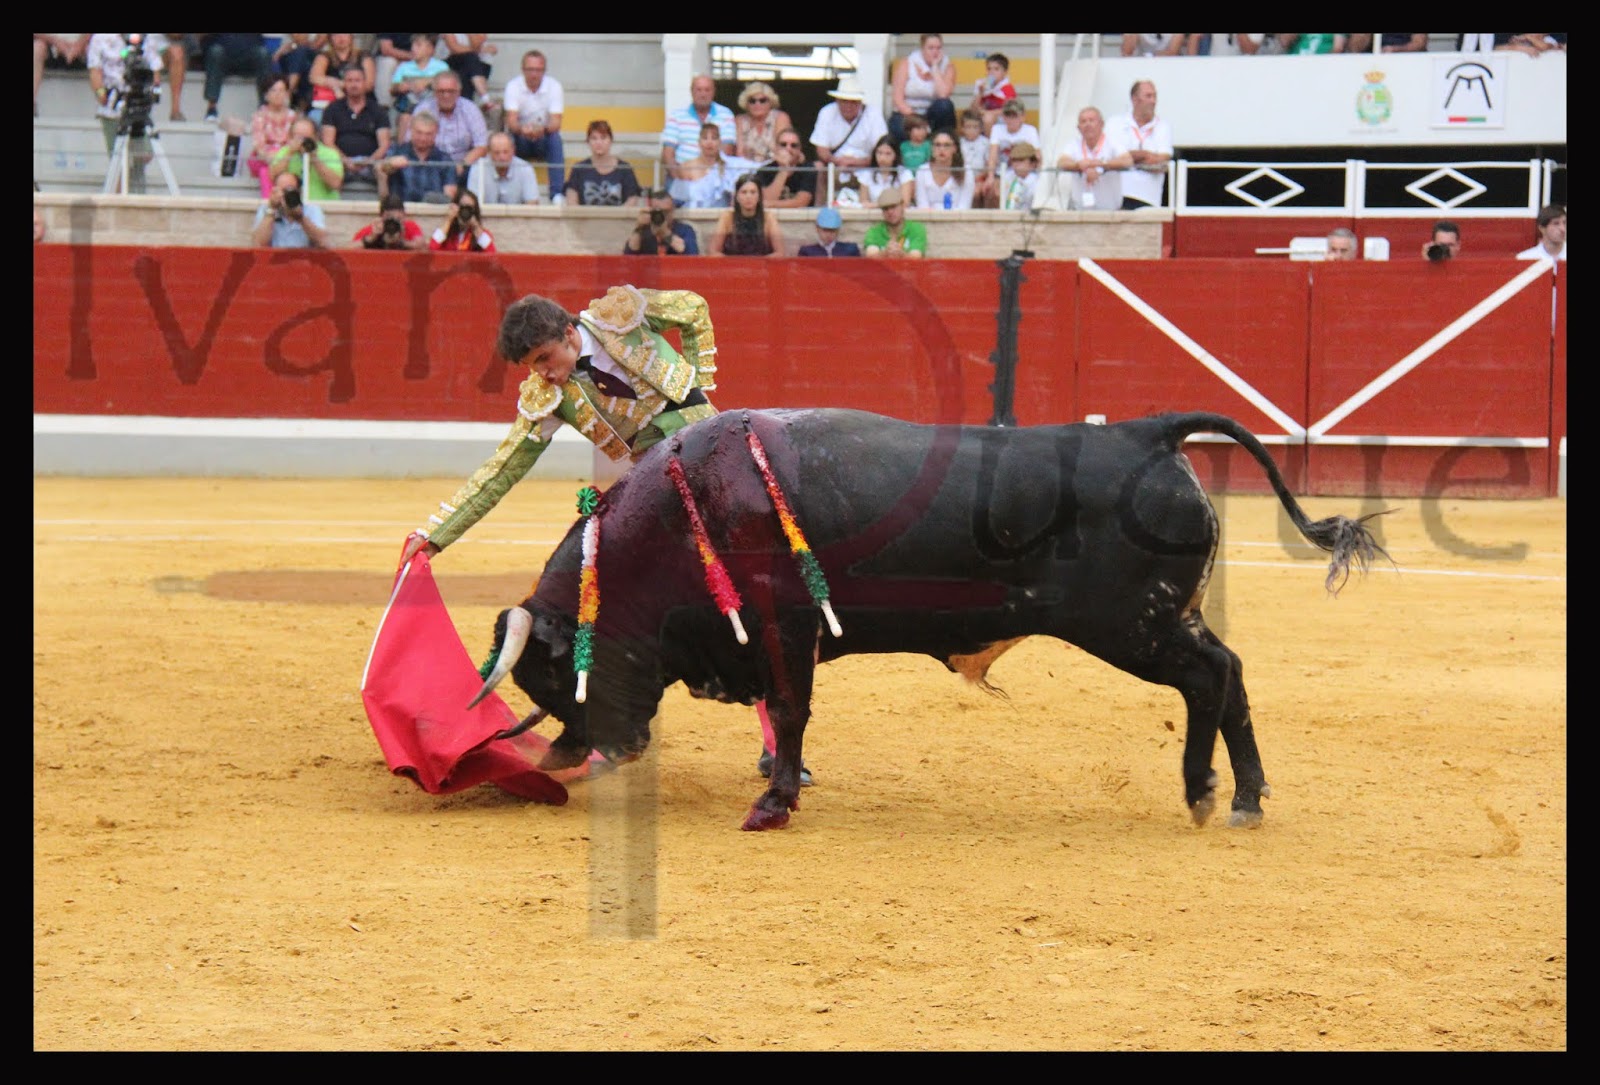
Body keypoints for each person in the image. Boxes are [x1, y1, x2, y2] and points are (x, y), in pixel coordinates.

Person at [400, 287, 811, 785]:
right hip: (656, 491)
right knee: (612, 602)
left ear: (569, 334)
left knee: (754, 598)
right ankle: (605, 728)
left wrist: (699, 389)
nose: (544, 374)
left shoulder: (623, 317)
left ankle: (778, 747)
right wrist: (437, 534)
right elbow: (502, 469)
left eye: (545, 359)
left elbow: (694, 308)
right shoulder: (550, 397)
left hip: (720, 471)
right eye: (532, 366)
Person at [87, 34, 166, 195]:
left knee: (144, 154)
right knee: (118, 161)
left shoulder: (146, 38)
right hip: (112, 109)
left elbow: (155, 68)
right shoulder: (100, 38)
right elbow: (94, 70)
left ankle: (134, 191)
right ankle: (118, 198)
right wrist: (102, 94)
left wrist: (152, 91)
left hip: (138, 106)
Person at [503, 49, 566, 201]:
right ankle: (512, 193)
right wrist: (522, 130)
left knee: (555, 139)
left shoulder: (554, 86)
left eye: (538, 70)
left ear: (544, 70)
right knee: (508, 139)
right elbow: (511, 121)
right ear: (523, 70)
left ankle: (557, 194)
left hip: (543, 138)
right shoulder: (513, 86)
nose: (534, 74)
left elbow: (556, 122)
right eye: (530, 69)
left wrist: (542, 130)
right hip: (520, 138)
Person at [1106, 80, 1173, 212]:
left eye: (1155, 96)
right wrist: (1146, 155)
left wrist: (1128, 158)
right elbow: (1109, 158)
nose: (1153, 101)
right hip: (1116, 198)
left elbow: (1162, 162)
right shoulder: (1115, 123)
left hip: (1149, 201)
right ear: (1135, 99)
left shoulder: (1163, 127)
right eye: (1148, 96)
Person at [412, 71, 489, 185]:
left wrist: (461, 165)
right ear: (434, 92)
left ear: (459, 92)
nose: (446, 95)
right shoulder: (423, 109)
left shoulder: (470, 109)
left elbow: (481, 146)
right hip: (431, 165)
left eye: (450, 91)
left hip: (464, 165)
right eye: (441, 91)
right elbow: (412, 141)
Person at [321, 65, 391, 187]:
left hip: (371, 165)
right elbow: (328, 142)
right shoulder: (332, 109)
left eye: (357, 80)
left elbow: (384, 145)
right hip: (339, 163)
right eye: (349, 81)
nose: (354, 85)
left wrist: (368, 162)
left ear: (365, 83)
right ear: (344, 84)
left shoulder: (378, 110)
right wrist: (345, 161)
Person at [809, 75, 888, 179]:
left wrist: (855, 163)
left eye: (853, 102)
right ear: (837, 100)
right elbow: (821, 150)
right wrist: (838, 161)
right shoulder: (827, 112)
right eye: (844, 101)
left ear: (860, 102)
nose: (848, 106)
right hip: (834, 166)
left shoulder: (873, 114)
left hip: (866, 168)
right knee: (819, 168)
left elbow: (883, 149)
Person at [661, 74, 736, 182]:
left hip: (715, 178)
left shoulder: (726, 115)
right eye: (699, 90)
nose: (703, 94)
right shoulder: (676, 116)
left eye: (707, 90)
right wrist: (680, 178)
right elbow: (668, 153)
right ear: (691, 92)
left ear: (714, 92)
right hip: (680, 177)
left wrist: (707, 179)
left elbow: (726, 151)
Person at [1056, 106, 1132, 211]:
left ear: (1101, 124)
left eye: (1091, 120)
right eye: (1083, 121)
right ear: (1078, 128)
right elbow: (1061, 162)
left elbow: (1128, 161)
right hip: (1080, 212)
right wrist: (1077, 165)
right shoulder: (1074, 144)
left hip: (1110, 212)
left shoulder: (1112, 142)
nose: (1088, 124)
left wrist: (1102, 164)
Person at [376, 110, 457, 205]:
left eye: (428, 134)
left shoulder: (445, 160)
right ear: (411, 130)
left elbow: (449, 196)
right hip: (401, 209)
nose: (423, 138)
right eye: (419, 132)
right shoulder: (397, 151)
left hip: (433, 210)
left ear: (436, 133)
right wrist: (390, 164)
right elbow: (379, 168)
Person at [669, 123, 757, 210]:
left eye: (714, 138)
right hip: (691, 214)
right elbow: (676, 200)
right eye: (705, 138)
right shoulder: (686, 167)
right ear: (699, 142)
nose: (709, 142)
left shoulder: (729, 165)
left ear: (720, 142)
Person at [889, 33, 956, 146]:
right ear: (922, 48)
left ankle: (941, 144)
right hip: (907, 112)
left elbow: (943, 94)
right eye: (931, 48)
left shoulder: (948, 66)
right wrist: (917, 121)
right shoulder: (907, 63)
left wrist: (935, 68)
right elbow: (898, 99)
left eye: (938, 48)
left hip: (931, 114)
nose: (935, 52)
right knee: (899, 128)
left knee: (945, 105)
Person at [564, 120, 643, 207]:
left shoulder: (625, 169)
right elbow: (571, 201)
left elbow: (632, 200)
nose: (599, 142)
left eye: (603, 138)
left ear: (611, 141)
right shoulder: (579, 169)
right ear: (588, 142)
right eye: (594, 138)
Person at [389, 33, 449, 144]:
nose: (413, 49)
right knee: (405, 117)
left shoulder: (441, 66)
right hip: (409, 106)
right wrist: (400, 87)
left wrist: (428, 81)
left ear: (430, 49)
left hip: (433, 105)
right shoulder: (404, 67)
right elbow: (392, 89)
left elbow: (446, 85)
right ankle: (402, 148)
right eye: (412, 45)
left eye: (418, 45)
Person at [198, 33, 271, 124]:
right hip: (222, 56)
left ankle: (265, 109)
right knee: (215, 52)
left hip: (249, 57)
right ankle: (211, 109)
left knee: (263, 53)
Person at [247, 74, 299, 199]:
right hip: (263, 158)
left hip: (287, 156)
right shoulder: (259, 116)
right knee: (266, 171)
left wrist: (283, 156)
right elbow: (260, 147)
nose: (278, 94)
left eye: (281, 90)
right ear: (266, 94)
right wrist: (276, 157)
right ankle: (270, 203)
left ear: (287, 93)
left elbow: (294, 142)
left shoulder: (294, 116)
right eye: (273, 90)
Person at [269, 117, 345, 202]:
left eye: (306, 138)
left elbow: (336, 184)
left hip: (323, 204)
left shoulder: (329, 154)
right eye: (298, 137)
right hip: (293, 205)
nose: (302, 142)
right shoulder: (285, 152)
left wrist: (315, 158)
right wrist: (290, 153)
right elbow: (273, 177)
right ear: (291, 137)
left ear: (315, 137)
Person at [306, 34, 374, 126]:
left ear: (351, 36)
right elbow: (314, 77)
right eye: (336, 35)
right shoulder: (324, 56)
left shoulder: (363, 56)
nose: (341, 37)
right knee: (316, 116)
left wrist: (340, 84)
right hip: (330, 103)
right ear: (330, 38)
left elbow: (369, 84)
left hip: (360, 102)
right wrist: (337, 85)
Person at [709, 174, 783, 257]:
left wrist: (760, 262)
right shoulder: (727, 217)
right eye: (744, 192)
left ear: (759, 196)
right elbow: (713, 251)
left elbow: (779, 253)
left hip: (761, 264)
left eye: (753, 192)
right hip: (732, 264)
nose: (748, 196)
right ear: (737, 196)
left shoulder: (768, 218)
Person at [251, 171, 330, 249]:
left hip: (303, 256)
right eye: (282, 191)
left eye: (290, 191)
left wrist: (301, 218)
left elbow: (322, 242)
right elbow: (258, 244)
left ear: (299, 191)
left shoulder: (311, 210)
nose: (286, 195)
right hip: (276, 256)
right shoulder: (267, 210)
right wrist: (272, 209)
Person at [466, 132, 545, 205]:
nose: (502, 157)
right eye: (497, 153)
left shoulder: (525, 168)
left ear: (513, 150)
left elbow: (532, 202)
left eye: (505, 152)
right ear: (489, 152)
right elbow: (472, 203)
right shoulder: (478, 168)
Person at [753, 129, 818, 210]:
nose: (788, 149)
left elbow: (802, 202)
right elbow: (766, 199)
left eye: (793, 145)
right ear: (776, 148)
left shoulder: (807, 169)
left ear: (799, 149)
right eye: (783, 145)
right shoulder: (765, 170)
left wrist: (771, 204)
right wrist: (784, 170)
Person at [985, 99, 1041, 192]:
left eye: (1014, 116)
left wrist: (1038, 176)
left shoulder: (1030, 131)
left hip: (1023, 173)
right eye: (1008, 116)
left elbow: (1037, 155)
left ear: (1022, 117)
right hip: (1001, 172)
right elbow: (992, 156)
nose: (1011, 120)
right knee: (992, 191)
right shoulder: (997, 129)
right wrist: (990, 177)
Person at [623, 187, 699, 255]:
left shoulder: (684, 230)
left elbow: (692, 254)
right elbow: (628, 256)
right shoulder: (644, 231)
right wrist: (639, 228)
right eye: (658, 212)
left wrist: (665, 233)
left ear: (672, 210)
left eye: (666, 212)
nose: (662, 216)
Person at [734, 81, 793, 164]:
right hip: (747, 167)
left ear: (771, 102)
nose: (757, 104)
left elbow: (782, 149)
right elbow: (739, 153)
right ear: (746, 103)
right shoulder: (740, 120)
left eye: (762, 100)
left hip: (774, 166)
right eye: (752, 101)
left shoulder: (780, 118)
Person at [914, 131, 973, 211]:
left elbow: (964, 206)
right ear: (932, 148)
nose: (942, 149)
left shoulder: (966, 171)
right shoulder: (922, 171)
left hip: (957, 217)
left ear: (955, 148)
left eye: (946, 145)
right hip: (929, 217)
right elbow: (922, 204)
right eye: (937, 145)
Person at [34, 34, 89, 118]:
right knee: (37, 48)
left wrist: (79, 44)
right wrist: (56, 42)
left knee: (101, 47)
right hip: (50, 46)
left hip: (83, 46)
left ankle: (105, 101)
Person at [863, 187, 927, 259]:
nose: (890, 212)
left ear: (902, 206)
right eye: (886, 208)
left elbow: (917, 258)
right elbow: (870, 258)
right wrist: (885, 253)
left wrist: (901, 254)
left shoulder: (916, 229)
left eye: (893, 207)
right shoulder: (874, 231)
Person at [271, 34, 326, 115]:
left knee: (301, 53)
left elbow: (316, 45)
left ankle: (287, 93)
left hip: (317, 58)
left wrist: (294, 45)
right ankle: (297, 106)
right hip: (293, 58)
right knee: (302, 63)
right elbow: (279, 54)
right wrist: (291, 46)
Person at [353, 191, 426, 251]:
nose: (392, 223)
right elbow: (349, 248)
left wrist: (403, 242)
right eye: (389, 219)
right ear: (381, 217)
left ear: (404, 216)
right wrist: (371, 238)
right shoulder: (375, 229)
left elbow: (423, 248)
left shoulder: (410, 227)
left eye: (398, 219)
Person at [429, 189, 496, 253]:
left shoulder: (481, 234)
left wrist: (476, 228)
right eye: (462, 207)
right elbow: (431, 249)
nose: (465, 212)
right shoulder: (447, 234)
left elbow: (492, 254)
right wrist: (448, 220)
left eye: (469, 208)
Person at [860, 135, 915, 209]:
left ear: (895, 155)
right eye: (879, 153)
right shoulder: (867, 174)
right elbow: (863, 203)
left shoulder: (904, 173)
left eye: (888, 154)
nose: (882, 158)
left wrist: (878, 205)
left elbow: (905, 203)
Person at [440, 34, 497, 104]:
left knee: (470, 66)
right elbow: (454, 48)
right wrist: (481, 50)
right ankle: (486, 98)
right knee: (470, 59)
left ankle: (481, 101)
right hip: (453, 62)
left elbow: (478, 43)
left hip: (477, 65)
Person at [969, 52, 1017, 132]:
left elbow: (1010, 109)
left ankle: (990, 139)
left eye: (996, 69)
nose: (991, 72)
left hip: (1003, 120)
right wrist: (980, 93)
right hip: (985, 118)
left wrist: (989, 113)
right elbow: (973, 109)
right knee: (970, 120)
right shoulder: (983, 86)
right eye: (989, 69)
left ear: (1005, 72)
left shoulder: (1007, 88)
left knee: (988, 118)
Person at [959, 109, 994, 208]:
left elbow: (988, 165)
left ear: (981, 128)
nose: (972, 131)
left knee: (976, 192)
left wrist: (980, 177)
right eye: (968, 127)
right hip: (962, 178)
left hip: (979, 178)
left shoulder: (985, 143)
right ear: (962, 128)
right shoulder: (959, 143)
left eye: (975, 127)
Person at [996, 141, 1041, 211]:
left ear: (1032, 163)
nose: (1016, 164)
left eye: (1021, 160)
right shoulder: (1008, 176)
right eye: (1014, 160)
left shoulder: (1038, 181)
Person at [371, 34, 413, 107]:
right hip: (390, 59)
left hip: (414, 60)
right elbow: (386, 50)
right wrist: (410, 57)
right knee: (388, 62)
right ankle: (383, 106)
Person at [1120, 34, 1185, 57]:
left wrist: (1149, 56)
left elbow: (1173, 52)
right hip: (1142, 65)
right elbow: (1127, 52)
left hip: (1169, 65)